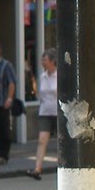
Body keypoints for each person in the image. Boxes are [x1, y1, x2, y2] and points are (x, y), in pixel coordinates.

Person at [30, 48, 57, 180]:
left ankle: (65, 166)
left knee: (63, 141)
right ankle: (37, 168)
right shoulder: (42, 76)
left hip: (59, 112)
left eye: (45, 60)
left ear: (52, 61)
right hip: (45, 111)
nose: (42, 62)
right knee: (42, 140)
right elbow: (40, 93)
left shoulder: (60, 75)